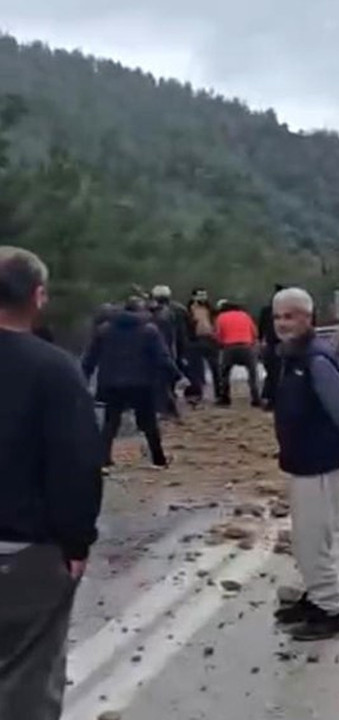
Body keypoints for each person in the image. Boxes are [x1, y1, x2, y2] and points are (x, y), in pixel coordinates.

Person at [0, 247, 103, 720]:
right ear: (38, 296)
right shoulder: (55, 369)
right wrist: (77, 541)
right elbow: (76, 463)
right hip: (26, 553)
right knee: (28, 678)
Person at [270, 287, 339, 641]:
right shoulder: (293, 356)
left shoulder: (315, 359)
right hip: (304, 461)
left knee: (311, 541)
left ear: (307, 318)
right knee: (310, 537)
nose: (282, 323)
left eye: (290, 316)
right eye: (277, 317)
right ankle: (317, 596)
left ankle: (329, 612)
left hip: (319, 462)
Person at [83, 297, 181, 469]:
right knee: (149, 423)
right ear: (140, 311)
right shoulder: (149, 330)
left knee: (110, 423)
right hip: (142, 383)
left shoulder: (104, 330)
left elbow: (90, 358)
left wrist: (83, 378)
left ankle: (103, 460)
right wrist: (177, 376)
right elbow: (162, 358)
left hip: (111, 383)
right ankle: (158, 459)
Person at [149, 285, 187, 419]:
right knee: (168, 379)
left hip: (156, 350)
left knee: (160, 381)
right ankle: (169, 408)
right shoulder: (178, 309)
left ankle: (164, 409)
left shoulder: (150, 311)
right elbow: (182, 333)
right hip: (172, 348)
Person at [214, 301, 261, 407]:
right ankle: (256, 398)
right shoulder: (245, 315)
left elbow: (218, 334)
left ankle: (225, 398)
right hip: (247, 347)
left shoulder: (221, 317)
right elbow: (255, 332)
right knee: (253, 374)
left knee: (224, 374)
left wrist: (220, 344)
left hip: (229, 348)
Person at [186, 288, 220, 403]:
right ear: (194, 297)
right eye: (200, 295)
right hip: (195, 340)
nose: (203, 297)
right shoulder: (189, 309)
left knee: (216, 367)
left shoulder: (210, 308)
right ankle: (197, 394)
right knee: (196, 369)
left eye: (204, 295)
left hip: (210, 339)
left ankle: (219, 393)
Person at [258, 284, 285, 411]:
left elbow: (261, 328)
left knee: (272, 372)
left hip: (271, 344)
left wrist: (260, 340)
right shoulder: (289, 311)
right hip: (281, 343)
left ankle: (270, 398)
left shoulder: (267, 310)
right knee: (279, 372)